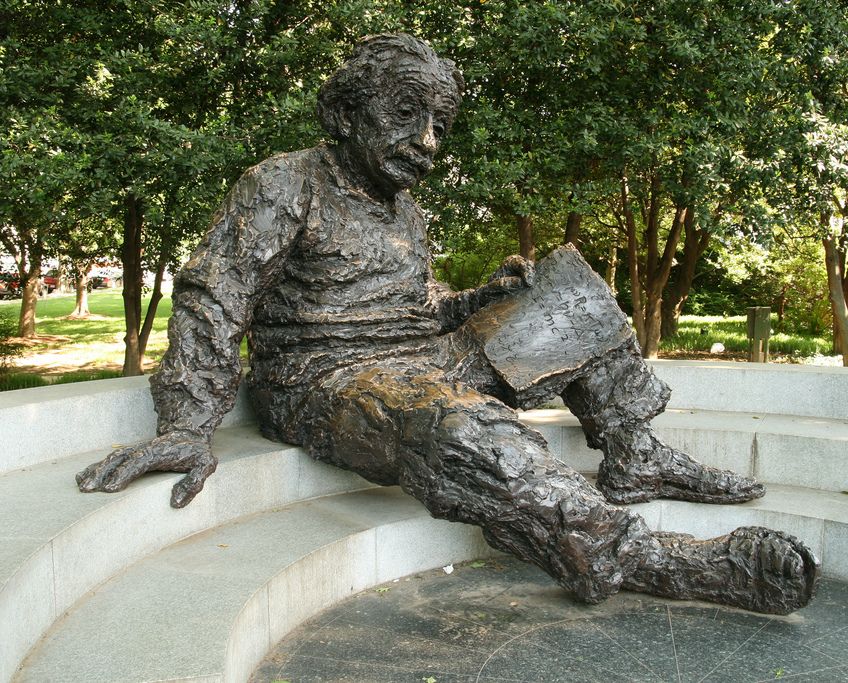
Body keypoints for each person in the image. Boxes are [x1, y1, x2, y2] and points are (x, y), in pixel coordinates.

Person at [77, 34, 818, 614]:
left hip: (422, 357)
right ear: (344, 114)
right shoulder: (283, 184)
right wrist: (185, 421)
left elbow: (418, 308)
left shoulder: (407, 211)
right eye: (408, 115)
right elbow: (215, 295)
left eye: (438, 123)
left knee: (572, 294)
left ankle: (635, 452)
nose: (429, 141)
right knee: (459, 429)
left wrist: (477, 298)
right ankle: (640, 558)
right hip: (324, 379)